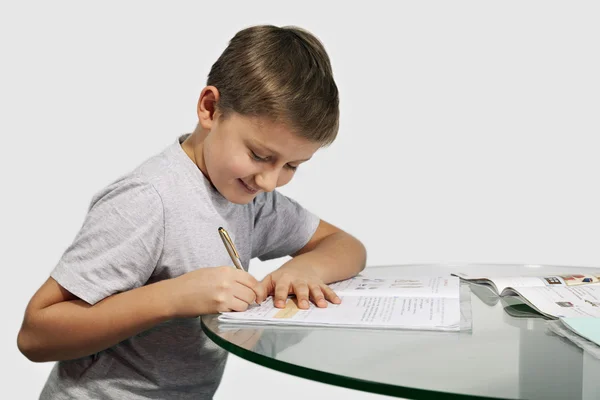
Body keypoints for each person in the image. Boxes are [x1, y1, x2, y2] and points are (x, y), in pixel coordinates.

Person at [17, 24, 367, 399]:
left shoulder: (248, 198)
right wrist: (173, 298)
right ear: (210, 108)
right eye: (259, 156)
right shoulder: (148, 201)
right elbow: (36, 335)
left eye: (292, 166)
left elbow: (345, 246)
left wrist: (304, 268)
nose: (269, 180)